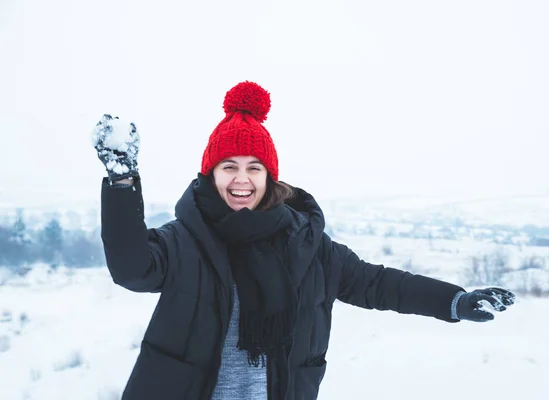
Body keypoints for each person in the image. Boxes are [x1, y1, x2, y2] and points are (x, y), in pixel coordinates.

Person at [93, 81, 516, 400]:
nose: (242, 179)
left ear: (270, 176)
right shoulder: (186, 240)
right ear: (211, 174)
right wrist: (122, 181)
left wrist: (453, 301)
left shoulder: (308, 245)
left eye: (254, 168)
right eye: (229, 167)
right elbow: (132, 268)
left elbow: (378, 283)